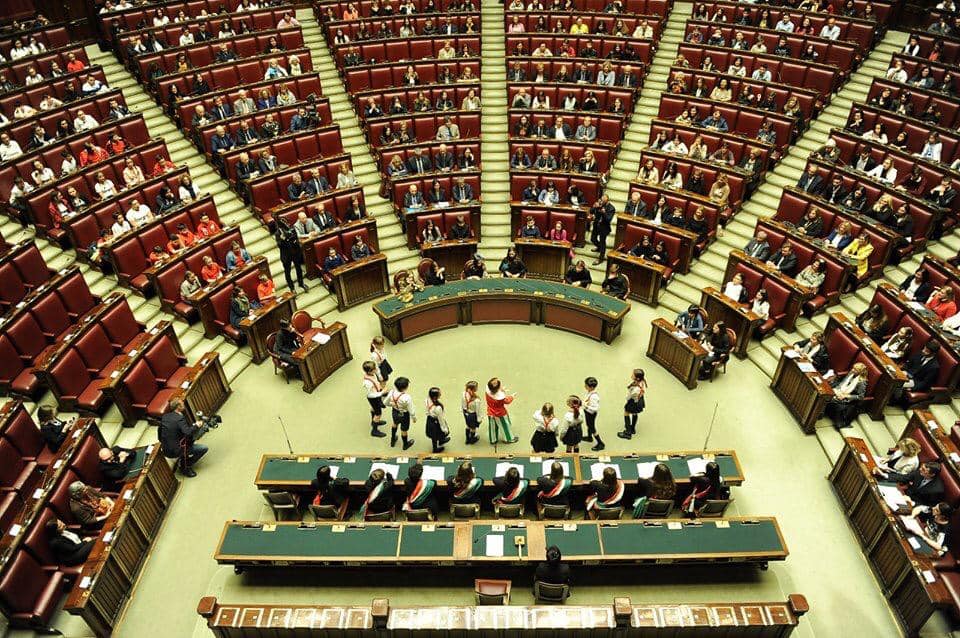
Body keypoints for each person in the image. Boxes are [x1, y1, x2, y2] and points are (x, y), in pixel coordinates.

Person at [158, 398, 209, 476]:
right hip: (177, 450)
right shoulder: (180, 418)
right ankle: (185, 466)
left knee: (190, 435)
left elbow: (159, 431)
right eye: (182, 404)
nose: (184, 404)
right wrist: (196, 425)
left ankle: (184, 457)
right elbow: (187, 432)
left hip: (166, 449)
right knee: (203, 448)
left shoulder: (165, 416)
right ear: (178, 407)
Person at [824, 363, 868, 430]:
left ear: (860, 372)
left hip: (847, 398)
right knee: (827, 393)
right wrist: (837, 389)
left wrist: (845, 396)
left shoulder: (862, 382)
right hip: (840, 391)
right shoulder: (851, 373)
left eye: (855, 369)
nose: (852, 370)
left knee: (828, 398)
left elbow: (860, 397)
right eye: (853, 368)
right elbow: (843, 383)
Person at [386, 377, 416, 450]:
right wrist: (414, 418)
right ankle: (405, 445)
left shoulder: (391, 392)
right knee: (404, 430)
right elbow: (411, 410)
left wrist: (392, 405)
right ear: (405, 387)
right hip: (404, 415)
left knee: (395, 423)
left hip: (395, 412)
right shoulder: (407, 397)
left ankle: (393, 440)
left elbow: (385, 403)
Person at [486, 377, 519, 444]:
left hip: (490, 412)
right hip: (500, 414)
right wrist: (512, 396)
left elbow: (495, 392)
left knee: (492, 426)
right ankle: (508, 439)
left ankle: (493, 439)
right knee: (505, 426)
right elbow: (507, 401)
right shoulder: (500, 398)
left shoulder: (487, 392)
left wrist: (500, 390)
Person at [618, 369, 646, 439]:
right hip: (639, 400)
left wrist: (627, 399)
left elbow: (630, 397)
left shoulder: (636, 389)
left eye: (633, 374)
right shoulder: (642, 382)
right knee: (634, 413)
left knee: (626, 413)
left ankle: (628, 433)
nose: (631, 375)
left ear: (637, 378)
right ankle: (632, 428)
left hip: (633, 402)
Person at [425, 387, 450, 453]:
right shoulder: (438, 408)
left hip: (430, 419)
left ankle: (441, 440)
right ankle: (435, 449)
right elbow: (441, 420)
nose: (440, 394)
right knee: (435, 435)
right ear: (435, 397)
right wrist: (444, 429)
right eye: (439, 393)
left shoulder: (427, 400)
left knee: (434, 434)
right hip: (436, 422)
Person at [461, 380, 482, 445]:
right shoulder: (476, 400)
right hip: (473, 415)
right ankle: (472, 439)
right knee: (473, 428)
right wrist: (479, 419)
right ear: (474, 389)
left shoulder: (464, 394)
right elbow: (478, 411)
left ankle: (467, 439)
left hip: (466, 413)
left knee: (468, 426)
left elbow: (463, 405)